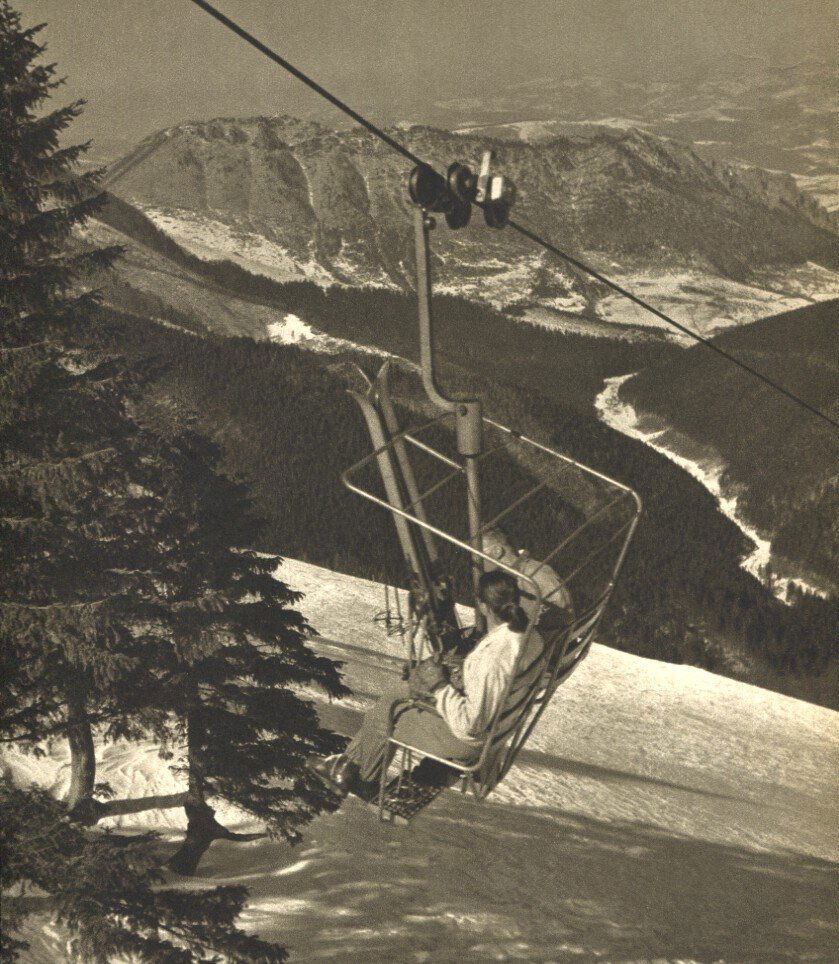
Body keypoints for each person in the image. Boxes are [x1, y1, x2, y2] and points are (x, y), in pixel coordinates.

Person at [308, 569, 545, 796]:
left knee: (389, 711)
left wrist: (439, 686)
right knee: (400, 692)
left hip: (468, 742)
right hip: (499, 729)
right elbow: (497, 686)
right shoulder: (531, 637)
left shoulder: (493, 656)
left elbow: (470, 725)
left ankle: (360, 776)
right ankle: (349, 767)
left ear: (482, 606)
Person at [482, 527, 574, 639]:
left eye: (479, 554)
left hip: (542, 645)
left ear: (497, 551)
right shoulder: (510, 575)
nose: (476, 559)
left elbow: (565, 616)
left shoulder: (534, 574)